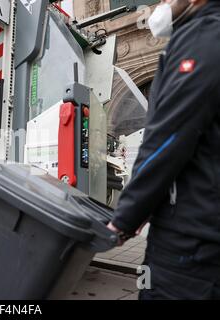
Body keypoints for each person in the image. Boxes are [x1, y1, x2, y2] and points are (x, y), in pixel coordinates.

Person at [107, 0, 220, 299]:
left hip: (191, 244)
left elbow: (167, 139)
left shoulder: (203, 38)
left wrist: (124, 219)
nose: (162, 4)